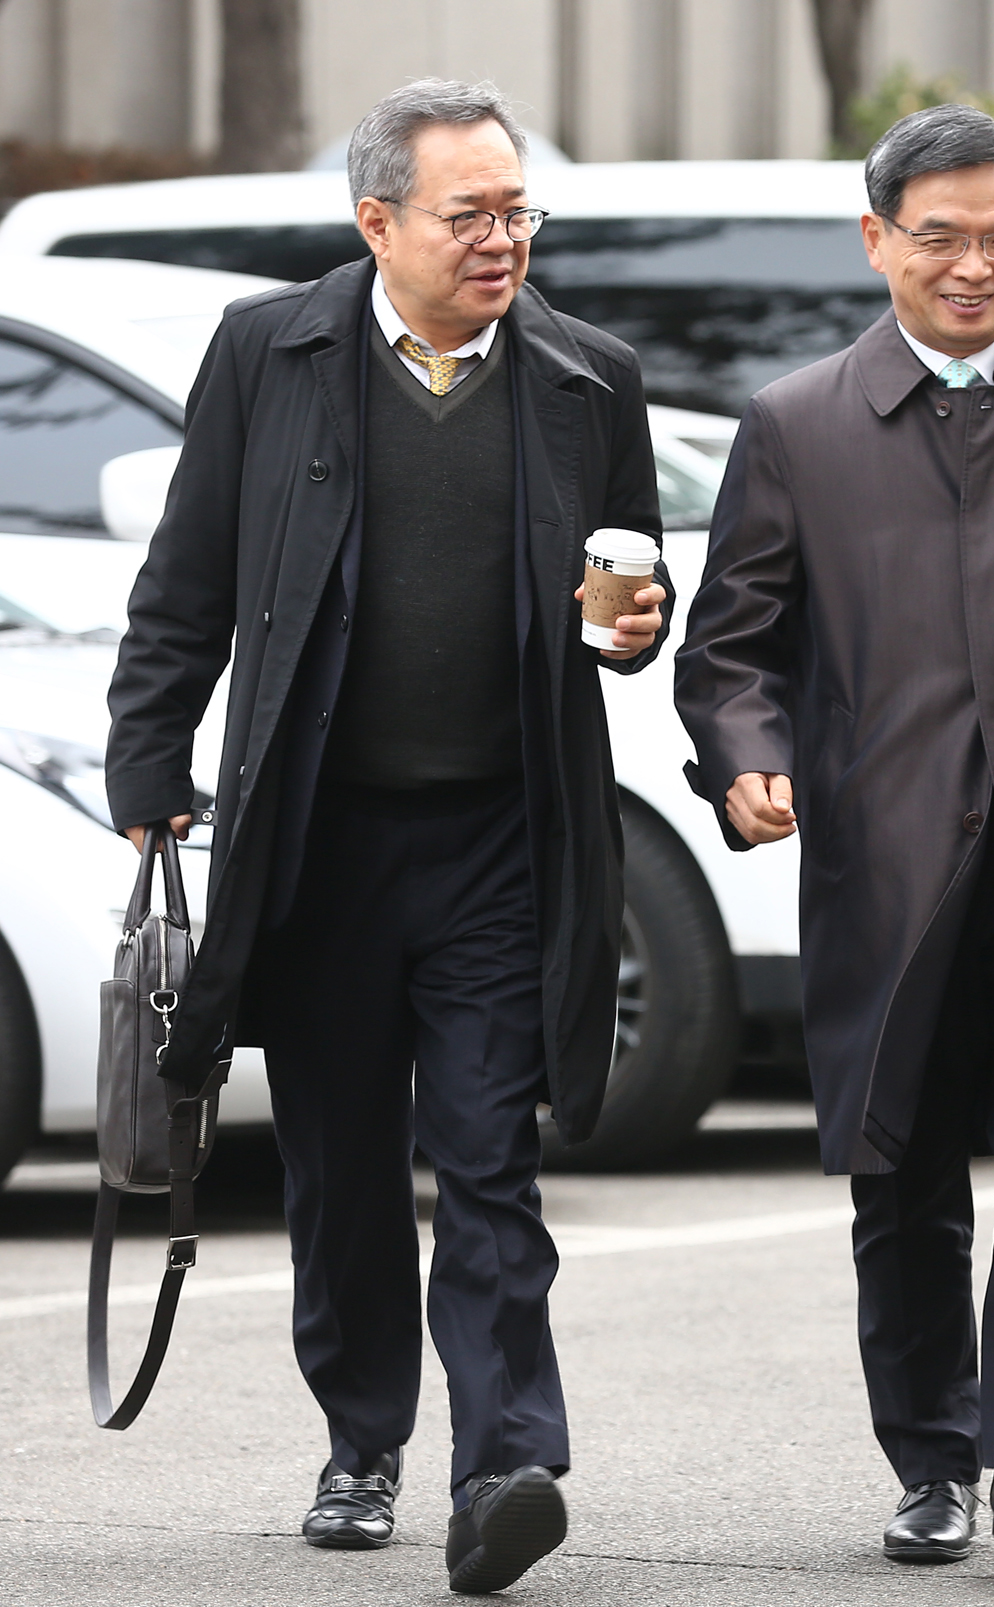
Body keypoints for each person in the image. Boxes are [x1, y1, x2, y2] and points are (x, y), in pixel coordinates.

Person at [103, 79, 669, 1595]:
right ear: (376, 221)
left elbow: (627, 584)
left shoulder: (589, 378)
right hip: (322, 842)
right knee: (341, 1168)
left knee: (490, 1158)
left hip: (503, 839)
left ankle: (507, 1466)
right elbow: (187, 581)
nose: (503, 241)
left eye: (520, 212)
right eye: (469, 214)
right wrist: (150, 755)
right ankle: (362, 1442)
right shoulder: (268, 353)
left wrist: (633, 628)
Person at [675, 103, 994, 1573]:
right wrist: (749, 761)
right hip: (887, 866)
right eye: (941, 238)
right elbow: (729, 648)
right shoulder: (796, 425)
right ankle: (929, 1463)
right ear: (877, 240)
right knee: (898, 1173)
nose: (975, 266)